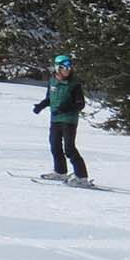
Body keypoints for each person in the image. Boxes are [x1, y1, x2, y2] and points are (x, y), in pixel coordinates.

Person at [34, 54, 91, 186]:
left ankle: (82, 177)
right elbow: (50, 98)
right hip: (55, 119)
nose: (67, 70)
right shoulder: (52, 81)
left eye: (69, 67)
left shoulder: (74, 84)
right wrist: (41, 105)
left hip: (69, 120)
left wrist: (67, 107)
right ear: (57, 68)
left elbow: (80, 103)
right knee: (55, 146)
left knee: (69, 149)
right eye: (64, 67)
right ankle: (60, 172)